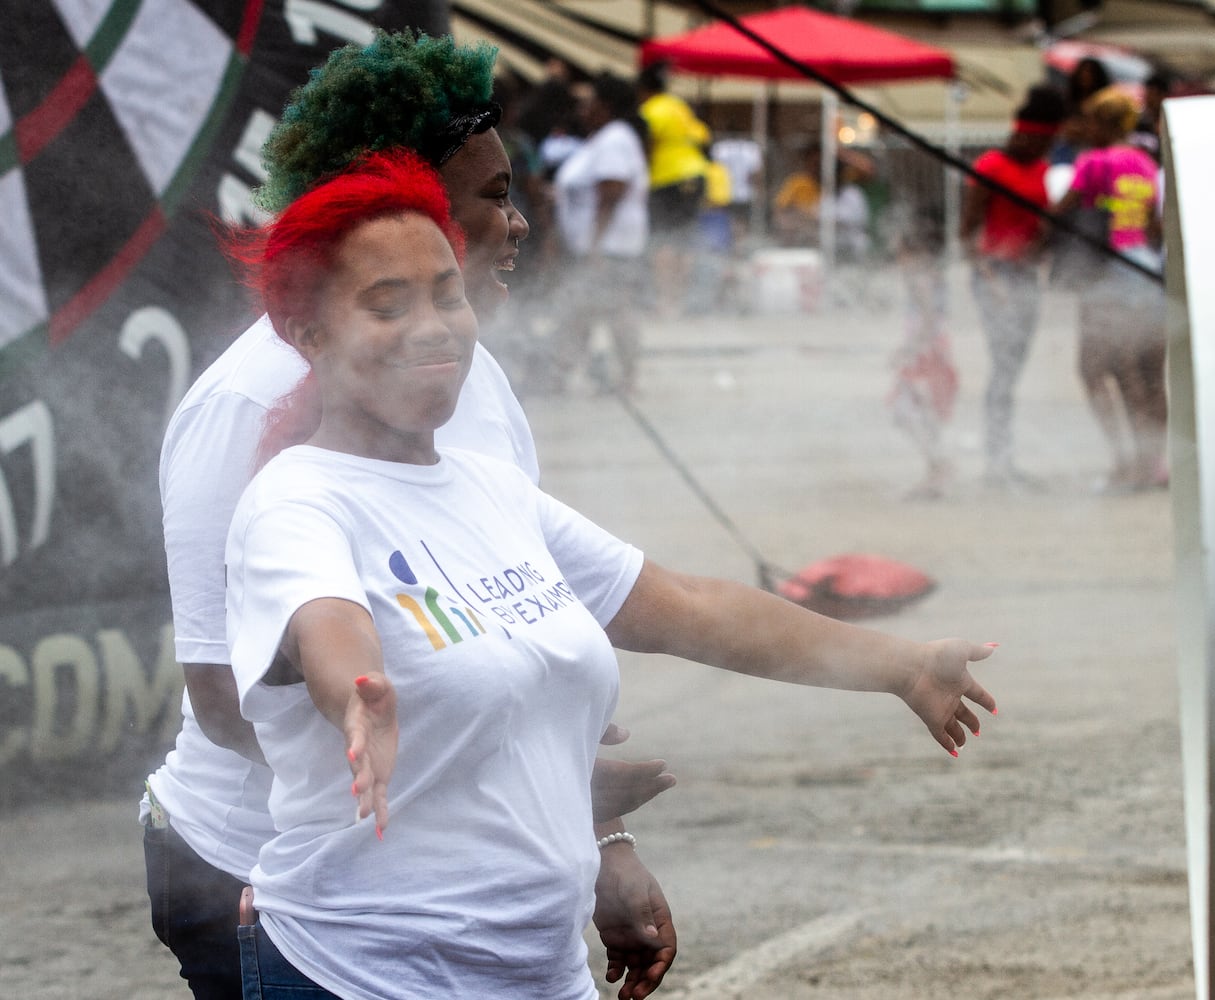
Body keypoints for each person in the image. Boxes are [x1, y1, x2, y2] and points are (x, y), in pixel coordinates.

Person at [224, 147, 998, 999]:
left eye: (447, 293)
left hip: (540, 972)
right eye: (386, 305)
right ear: (308, 331)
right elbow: (326, 618)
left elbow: (691, 606)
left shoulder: (490, 489)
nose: (434, 325)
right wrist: (357, 695)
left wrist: (904, 667)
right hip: (359, 972)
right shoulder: (297, 501)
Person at [142, 31, 675, 1000]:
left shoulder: (477, 380)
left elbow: (515, 640)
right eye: (491, 198)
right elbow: (224, 697)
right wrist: (470, 786)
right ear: (401, 208)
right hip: (254, 881)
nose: (518, 224)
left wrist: (598, 838)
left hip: (441, 883)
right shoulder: (244, 406)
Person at [1051, 87, 1166, 492]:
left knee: (1096, 369)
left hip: (1106, 273)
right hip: (1145, 269)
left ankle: (1125, 460)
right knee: (1147, 372)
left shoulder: (1094, 162)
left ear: (1103, 123)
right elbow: (1155, 223)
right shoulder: (1145, 163)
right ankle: (1155, 460)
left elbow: (1062, 210)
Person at [959, 85, 1067, 488]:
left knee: (1013, 369)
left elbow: (1039, 229)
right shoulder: (990, 167)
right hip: (994, 275)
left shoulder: (1042, 171)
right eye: (1044, 140)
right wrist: (991, 280)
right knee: (1003, 368)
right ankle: (997, 460)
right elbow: (966, 235)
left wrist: (1043, 242)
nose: (1047, 148)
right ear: (1025, 134)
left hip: (1025, 277)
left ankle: (1004, 458)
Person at [550, 73, 651, 395]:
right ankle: (564, 373)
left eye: (590, 101)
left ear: (605, 106)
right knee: (585, 310)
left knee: (610, 310)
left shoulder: (614, 139)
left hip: (609, 247)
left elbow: (611, 191)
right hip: (600, 246)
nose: (583, 108)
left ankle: (623, 377)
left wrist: (595, 244)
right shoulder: (603, 139)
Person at [889, 206, 957, 500]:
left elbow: (928, 318)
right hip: (932, 348)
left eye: (901, 252)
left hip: (926, 352)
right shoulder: (931, 275)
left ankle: (938, 468)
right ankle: (935, 470)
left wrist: (910, 349)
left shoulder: (920, 279)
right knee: (921, 411)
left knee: (907, 410)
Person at [637, 61, 712, 317]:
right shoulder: (679, 106)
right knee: (684, 241)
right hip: (696, 174)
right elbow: (703, 136)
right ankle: (680, 301)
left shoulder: (650, 110)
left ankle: (665, 301)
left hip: (667, 178)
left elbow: (647, 146)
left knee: (664, 241)